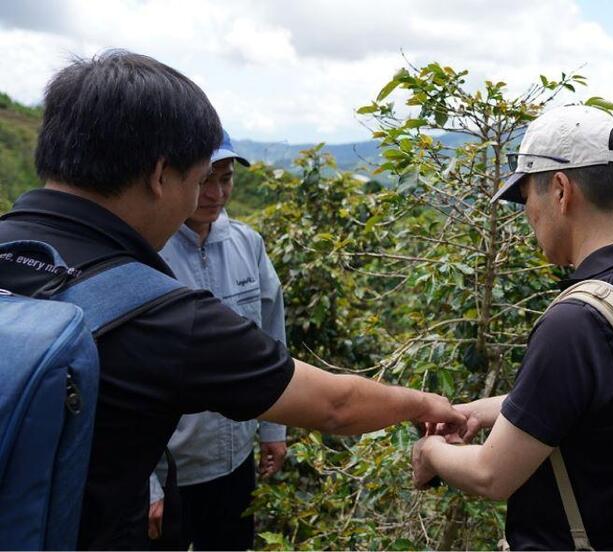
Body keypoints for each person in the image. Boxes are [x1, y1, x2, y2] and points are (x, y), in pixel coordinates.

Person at [0, 50, 464, 550]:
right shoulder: (162, 315)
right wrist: (426, 403)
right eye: (199, 179)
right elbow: (336, 406)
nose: (208, 195)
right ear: (161, 176)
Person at [411, 105, 613, 550]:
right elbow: (602, 403)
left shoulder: (575, 321)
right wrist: (478, 412)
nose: (527, 216)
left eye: (526, 198)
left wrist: (431, 454)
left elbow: (490, 475)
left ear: (560, 190)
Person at [146, 132, 287, 549]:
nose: (216, 193)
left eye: (225, 179)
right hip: (171, 470)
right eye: (205, 179)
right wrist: (145, 484)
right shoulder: (149, 251)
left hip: (234, 461)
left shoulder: (248, 244)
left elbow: (271, 340)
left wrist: (272, 429)